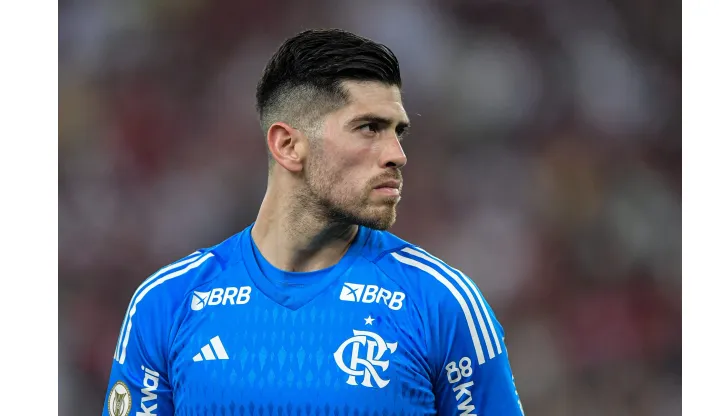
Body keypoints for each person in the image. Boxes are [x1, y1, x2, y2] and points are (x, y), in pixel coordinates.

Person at [102, 28, 524, 416]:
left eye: (399, 131)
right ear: (288, 145)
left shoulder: (440, 303)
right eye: (369, 128)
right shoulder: (167, 303)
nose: (397, 154)